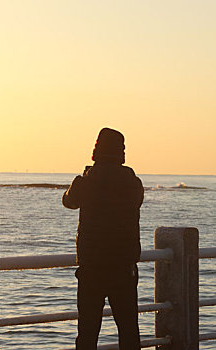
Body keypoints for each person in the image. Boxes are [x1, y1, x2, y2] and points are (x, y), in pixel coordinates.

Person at [62, 127, 144, 350]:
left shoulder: (86, 181)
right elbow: (137, 201)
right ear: (122, 152)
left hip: (92, 267)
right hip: (124, 268)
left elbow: (68, 201)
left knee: (88, 332)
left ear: (96, 150)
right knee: (128, 331)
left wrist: (84, 176)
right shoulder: (132, 182)